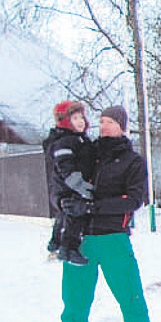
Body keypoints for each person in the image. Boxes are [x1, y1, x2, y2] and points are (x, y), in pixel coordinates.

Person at [58, 105, 161, 322]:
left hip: (114, 239)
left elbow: (133, 200)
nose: (103, 126)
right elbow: (63, 181)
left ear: (122, 126)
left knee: (132, 300)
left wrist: (92, 206)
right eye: (102, 121)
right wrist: (64, 204)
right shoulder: (86, 153)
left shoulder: (132, 161)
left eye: (109, 121)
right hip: (80, 240)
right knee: (74, 311)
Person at [43, 100, 96, 266]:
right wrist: (80, 186)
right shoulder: (64, 142)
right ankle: (68, 248)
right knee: (74, 215)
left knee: (70, 217)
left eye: (81, 117)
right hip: (69, 187)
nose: (80, 121)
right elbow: (65, 167)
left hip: (75, 187)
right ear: (65, 121)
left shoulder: (80, 139)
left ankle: (58, 244)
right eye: (75, 118)